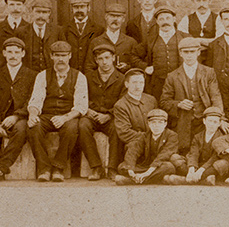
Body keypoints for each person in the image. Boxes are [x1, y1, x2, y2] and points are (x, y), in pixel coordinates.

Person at [26, 41, 89, 182]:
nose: (61, 59)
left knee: (72, 128)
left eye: (64, 55)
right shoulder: (42, 75)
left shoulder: (79, 76)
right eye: (57, 55)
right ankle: (44, 169)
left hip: (68, 115)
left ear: (70, 56)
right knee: (33, 127)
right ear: (52, 56)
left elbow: (81, 106)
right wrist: (33, 114)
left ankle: (58, 168)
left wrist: (65, 118)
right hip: (47, 115)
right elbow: (36, 99)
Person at [159, 37, 224, 154]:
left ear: (198, 52)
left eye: (192, 52)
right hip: (183, 122)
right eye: (186, 52)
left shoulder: (208, 72)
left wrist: (219, 118)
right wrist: (179, 104)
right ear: (180, 53)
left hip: (204, 120)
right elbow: (164, 102)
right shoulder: (172, 76)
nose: (189, 55)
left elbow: (216, 97)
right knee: (184, 152)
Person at [80, 44, 125, 180]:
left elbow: (123, 102)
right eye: (100, 59)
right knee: (82, 126)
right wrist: (87, 110)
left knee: (118, 129)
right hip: (91, 115)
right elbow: (81, 96)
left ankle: (112, 168)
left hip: (111, 116)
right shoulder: (87, 77)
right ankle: (96, 167)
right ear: (96, 60)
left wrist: (109, 115)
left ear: (113, 58)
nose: (104, 62)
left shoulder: (122, 78)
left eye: (107, 58)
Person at [131, 6, 189, 100]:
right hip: (157, 83)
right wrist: (145, 67)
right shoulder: (150, 40)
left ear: (174, 19)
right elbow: (134, 56)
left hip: (181, 82)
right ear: (157, 22)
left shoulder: (184, 37)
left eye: (167, 18)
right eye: (161, 19)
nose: (165, 22)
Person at [0, 38, 37, 180]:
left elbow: (32, 99)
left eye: (17, 52)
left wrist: (16, 116)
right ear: (4, 53)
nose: (13, 56)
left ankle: (2, 167)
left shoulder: (32, 75)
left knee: (21, 129)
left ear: (23, 54)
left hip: (20, 117)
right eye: (9, 52)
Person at [114, 109, 178, 185]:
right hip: (146, 166)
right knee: (122, 167)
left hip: (159, 165)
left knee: (169, 167)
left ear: (165, 124)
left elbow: (164, 155)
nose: (156, 126)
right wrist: (131, 171)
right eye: (153, 122)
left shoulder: (172, 135)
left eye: (160, 122)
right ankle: (150, 179)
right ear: (148, 124)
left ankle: (132, 181)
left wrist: (147, 173)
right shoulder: (144, 136)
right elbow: (133, 151)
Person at [84, 3, 137, 75]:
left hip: (124, 83)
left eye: (118, 16)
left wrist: (127, 67)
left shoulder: (131, 42)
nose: (115, 19)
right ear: (106, 17)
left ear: (123, 19)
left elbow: (136, 66)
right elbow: (89, 67)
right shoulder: (96, 42)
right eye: (112, 16)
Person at [180, 107, 226, 185]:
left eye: (215, 122)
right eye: (209, 121)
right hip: (197, 165)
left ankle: (185, 180)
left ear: (219, 124)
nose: (211, 124)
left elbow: (215, 157)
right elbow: (194, 153)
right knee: (176, 158)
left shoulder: (222, 138)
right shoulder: (197, 136)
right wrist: (191, 169)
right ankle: (201, 178)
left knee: (223, 164)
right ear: (204, 121)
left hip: (210, 166)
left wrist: (201, 170)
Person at [18, 0, 64, 72]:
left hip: (51, 73)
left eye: (44, 12)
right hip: (29, 73)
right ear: (32, 11)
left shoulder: (57, 31)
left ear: (49, 13)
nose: (41, 16)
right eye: (38, 12)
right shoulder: (21, 32)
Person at [63, 0, 104, 72]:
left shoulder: (98, 29)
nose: (79, 10)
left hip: (91, 73)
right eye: (76, 7)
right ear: (71, 9)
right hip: (71, 72)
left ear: (88, 8)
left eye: (82, 7)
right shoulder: (64, 30)